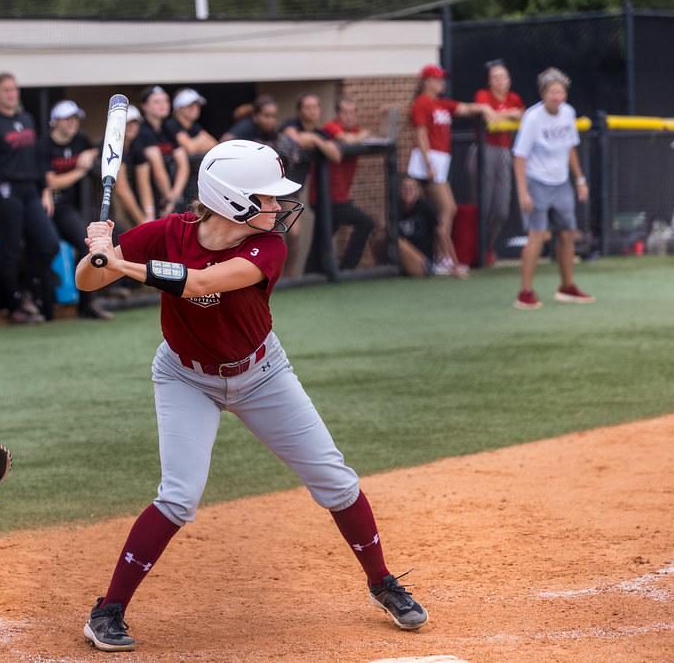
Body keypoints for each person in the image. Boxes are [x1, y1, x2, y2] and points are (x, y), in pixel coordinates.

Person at [75, 140, 429, 653]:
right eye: (266, 198)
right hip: (184, 376)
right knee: (178, 495)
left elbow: (197, 284)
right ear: (231, 199)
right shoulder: (169, 233)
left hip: (262, 373)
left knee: (334, 478)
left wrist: (122, 264)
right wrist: (98, 252)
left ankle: (381, 582)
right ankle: (107, 612)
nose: (278, 207)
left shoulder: (268, 248)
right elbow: (87, 281)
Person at [0, 72, 58, 324]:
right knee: (10, 251)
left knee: (49, 243)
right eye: (6, 90)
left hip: (31, 190)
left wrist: (45, 190)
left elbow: (37, 158)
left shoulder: (27, 118)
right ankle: (14, 308)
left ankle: (25, 289)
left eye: (14, 89)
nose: (12, 94)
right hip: (4, 191)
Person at [512, 67, 593, 309]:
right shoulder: (533, 118)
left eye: (560, 92)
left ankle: (567, 287)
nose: (556, 96)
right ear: (543, 93)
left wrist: (579, 180)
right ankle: (525, 292)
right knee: (537, 236)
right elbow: (519, 156)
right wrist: (523, 191)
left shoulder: (568, 113)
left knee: (568, 233)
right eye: (552, 92)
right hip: (537, 183)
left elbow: (570, 148)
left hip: (562, 183)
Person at [407, 65, 492, 278]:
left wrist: (486, 108)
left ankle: (438, 257)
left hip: (440, 163)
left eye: (442, 79)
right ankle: (443, 257)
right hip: (428, 164)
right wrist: (428, 165)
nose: (440, 82)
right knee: (448, 208)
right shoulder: (422, 103)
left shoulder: (442, 103)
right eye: (435, 79)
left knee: (440, 211)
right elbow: (421, 135)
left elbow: (465, 108)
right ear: (425, 81)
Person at [39, 99, 113, 320]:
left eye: (75, 119)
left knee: (87, 244)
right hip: (45, 207)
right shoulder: (44, 145)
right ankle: (44, 309)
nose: (72, 123)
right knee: (45, 248)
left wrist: (89, 155)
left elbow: (98, 147)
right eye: (67, 119)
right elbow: (51, 182)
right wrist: (79, 172)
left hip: (65, 208)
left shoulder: (80, 140)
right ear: (55, 122)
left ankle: (87, 304)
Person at [308, 95, 377, 272]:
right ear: (337, 113)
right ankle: (347, 269)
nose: (349, 116)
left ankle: (311, 275)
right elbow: (346, 140)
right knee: (366, 222)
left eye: (353, 112)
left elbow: (379, 136)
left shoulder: (354, 131)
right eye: (345, 112)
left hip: (339, 199)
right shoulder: (330, 127)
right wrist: (364, 133)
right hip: (326, 199)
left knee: (321, 241)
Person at [467, 59, 525, 266]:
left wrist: (501, 116)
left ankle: (486, 245)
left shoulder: (514, 97)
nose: (501, 81)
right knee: (484, 206)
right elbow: (490, 118)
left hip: (504, 152)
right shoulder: (483, 95)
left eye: (504, 76)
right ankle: (478, 251)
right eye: (496, 77)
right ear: (489, 82)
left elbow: (523, 118)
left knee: (501, 210)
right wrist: (508, 115)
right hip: (484, 150)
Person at [278, 92, 342, 277]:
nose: (312, 111)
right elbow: (294, 139)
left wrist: (315, 139)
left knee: (294, 233)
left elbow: (336, 155)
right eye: (307, 107)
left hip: (291, 191)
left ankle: (287, 277)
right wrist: (314, 141)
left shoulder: (320, 134)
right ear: (299, 111)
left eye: (315, 107)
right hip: (268, 187)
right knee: (265, 234)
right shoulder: (291, 124)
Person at [135, 85, 190, 217]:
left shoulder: (168, 127)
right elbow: (158, 171)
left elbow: (183, 164)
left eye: (166, 100)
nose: (163, 105)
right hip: (148, 197)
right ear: (144, 106)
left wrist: (174, 197)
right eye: (156, 101)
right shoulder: (143, 131)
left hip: (170, 196)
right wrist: (170, 199)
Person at [111, 105, 155, 228]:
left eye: (134, 123)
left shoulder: (136, 146)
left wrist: (149, 218)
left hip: (124, 209)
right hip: (102, 211)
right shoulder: (113, 146)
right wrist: (143, 223)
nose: (131, 127)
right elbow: (121, 189)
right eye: (127, 123)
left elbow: (144, 184)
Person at [395, 175, 441, 277]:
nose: (408, 191)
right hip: (405, 261)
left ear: (417, 191)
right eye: (404, 188)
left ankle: (433, 268)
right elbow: (380, 227)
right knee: (379, 238)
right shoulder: (396, 209)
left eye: (412, 188)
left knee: (397, 241)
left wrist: (453, 263)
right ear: (399, 190)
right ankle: (393, 269)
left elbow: (441, 234)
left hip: (424, 262)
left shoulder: (425, 207)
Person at [165, 88, 217, 155]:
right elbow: (190, 148)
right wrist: (201, 141)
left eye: (197, 105)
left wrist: (196, 143)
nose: (195, 109)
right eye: (190, 106)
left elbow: (215, 145)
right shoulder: (172, 125)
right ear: (179, 108)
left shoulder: (194, 126)